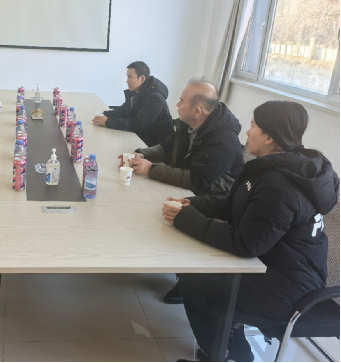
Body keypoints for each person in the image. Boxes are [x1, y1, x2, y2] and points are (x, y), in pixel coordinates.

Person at [162, 101, 339, 362]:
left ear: (269, 137)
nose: (247, 131)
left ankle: (220, 354)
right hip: (278, 268)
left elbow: (246, 244)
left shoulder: (280, 186)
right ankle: (236, 348)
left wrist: (187, 220)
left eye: (254, 125)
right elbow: (236, 202)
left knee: (196, 280)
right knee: (199, 265)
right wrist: (193, 204)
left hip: (287, 289)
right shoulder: (276, 168)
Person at [125, 78, 246, 304]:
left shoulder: (224, 140)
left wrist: (151, 170)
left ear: (197, 110)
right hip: (193, 184)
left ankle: (189, 279)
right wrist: (141, 154)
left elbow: (198, 181)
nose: (177, 105)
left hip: (216, 197)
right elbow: (166, 147)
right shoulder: (189, 124)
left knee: (167, 211)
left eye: (181, 101)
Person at [92, 61, 174, 147]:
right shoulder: (139, 91)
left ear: (142, 78)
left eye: (130, 77)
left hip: (158, 147)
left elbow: (137, 125)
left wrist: (108, 122)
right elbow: (123, 110)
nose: (127, 81)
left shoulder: (154, 98)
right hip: (142, 139)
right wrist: (104, 114)